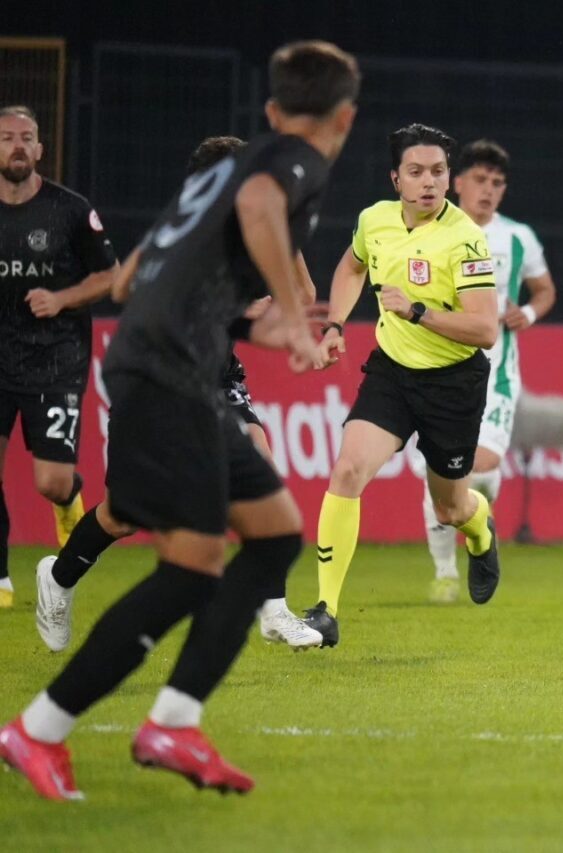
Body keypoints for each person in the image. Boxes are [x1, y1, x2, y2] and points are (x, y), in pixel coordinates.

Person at [0, 40, 359, 801]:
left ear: (271, 109)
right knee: (192, 566)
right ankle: (48, 728)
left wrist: (253, 327)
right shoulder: (294, 162)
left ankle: (167, 721)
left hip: (158, 368)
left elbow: (129, 281)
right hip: (168, 378)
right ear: (344, 118)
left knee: (274, 533)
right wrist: (293, 318)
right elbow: (260, 211)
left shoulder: (222, 172)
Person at [31, 136, 324, 653]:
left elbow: (302, 297)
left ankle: (274, 610)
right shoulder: (177, 232)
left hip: (214, 374)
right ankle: (58, 577)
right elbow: (124, 287)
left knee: (261, 465)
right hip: (150, 375)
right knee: (124, 513)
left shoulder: (255, 233)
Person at [303, 124, 500, 646]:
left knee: (450, 509)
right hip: (392, 372)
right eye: (416, 172)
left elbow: (485, 330)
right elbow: (352, 267)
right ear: (396, 179)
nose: (428, 182)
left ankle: (480, 528)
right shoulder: (374, 220)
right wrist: (335, 325)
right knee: (347, 470)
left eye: (438, 172)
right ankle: (325, 611)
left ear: (449, 178)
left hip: (453, 384)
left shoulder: (465, 238)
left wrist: (416, 312)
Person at [421, 139, 556, 604]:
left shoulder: (518, 237)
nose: (488, 190)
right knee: (441, 472)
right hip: (439, 366)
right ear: (457, 183)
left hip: (496, 371)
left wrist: (529, 313)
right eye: (480, 180)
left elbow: (544, 289)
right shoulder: (431, 231)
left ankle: (478, 514)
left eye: (497, 183)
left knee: (481, 466)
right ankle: (445, 572)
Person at [0, 105, 118, 609]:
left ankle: (68, 497)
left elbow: (111, 275)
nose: (18, 146)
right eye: (7, 137)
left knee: (50, 482)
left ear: (40, 149)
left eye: (26, 137)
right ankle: (0, 579)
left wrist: (61, 298)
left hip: (55, 359)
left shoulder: (69, 210)